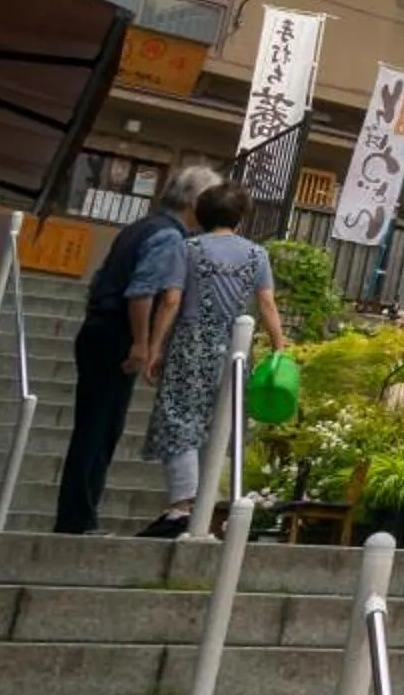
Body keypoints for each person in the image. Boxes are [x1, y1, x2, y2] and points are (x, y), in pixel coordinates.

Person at [53, 164, 212, 535]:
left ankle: (77, 518)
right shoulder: (169, 238)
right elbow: (141, 291)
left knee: (94, 427)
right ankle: (77, 521)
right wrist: (143, 343)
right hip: (117, 334)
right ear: (194, 201)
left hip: (98, 329)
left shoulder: (141, 227)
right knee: (99, 430)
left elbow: (100, 279)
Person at [137, 180, 289, 538]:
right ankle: (208, 502)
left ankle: (181, 507)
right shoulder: (257, 255)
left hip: (191, 344)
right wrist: (280, 347)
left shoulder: (187, 249)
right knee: (220, 423)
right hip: (237, 348)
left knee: (179, 419)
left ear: (201, 214)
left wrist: (154, 345)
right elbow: (267, 304)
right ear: (240, 217)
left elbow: (171, 300)